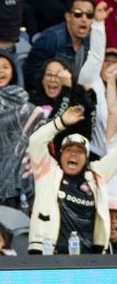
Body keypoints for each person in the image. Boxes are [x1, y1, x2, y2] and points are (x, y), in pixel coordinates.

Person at [27, 105, 117, 253]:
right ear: (60, 155)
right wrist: (61, 122)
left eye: (79, 151)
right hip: (49, 256)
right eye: (68, 150)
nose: (73, 155)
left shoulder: (96, 175)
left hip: (91, 258)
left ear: (87, 159)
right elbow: (35, 141)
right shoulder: (48, 172)